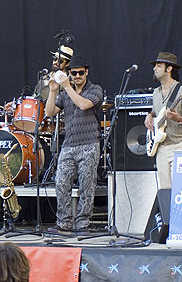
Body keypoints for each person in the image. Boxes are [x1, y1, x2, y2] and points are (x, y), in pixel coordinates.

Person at [44, 55, 103, 234]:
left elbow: (84, 105)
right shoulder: (64, 93)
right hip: (69, 144)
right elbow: (49, 112)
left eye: (80, 73)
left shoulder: (95, 89)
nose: (77, 76)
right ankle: (64, 222)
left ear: (86, 73)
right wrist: (53, 91)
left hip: (89, 143)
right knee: (61, 182)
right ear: (69, 73)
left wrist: (67, 86)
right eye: (74, 73)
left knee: (87, 185)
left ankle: (83, 223)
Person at [144, 52, 182, 189]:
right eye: (155, 66)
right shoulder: (156, 92)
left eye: (158, 66)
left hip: (181, 145)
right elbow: (156, 111)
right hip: (161, 146)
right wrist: (149, 116)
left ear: (169, 69)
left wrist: (178, 118)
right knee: (165, 189)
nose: (154, 69)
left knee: (181, 190)